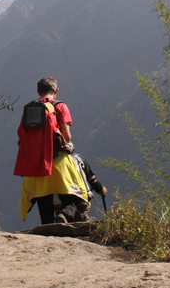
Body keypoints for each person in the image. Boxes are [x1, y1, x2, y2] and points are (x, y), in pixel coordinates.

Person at [16, 77, 104, 224]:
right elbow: (67, 136)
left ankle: (48, 232)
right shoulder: (60, 106)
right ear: (56, 91)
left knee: (44, 208)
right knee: (72, 198)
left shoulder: (30, 109)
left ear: (38, 91)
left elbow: (22, 134)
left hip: (36, 166)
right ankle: (64, 215)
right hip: (59, 161)